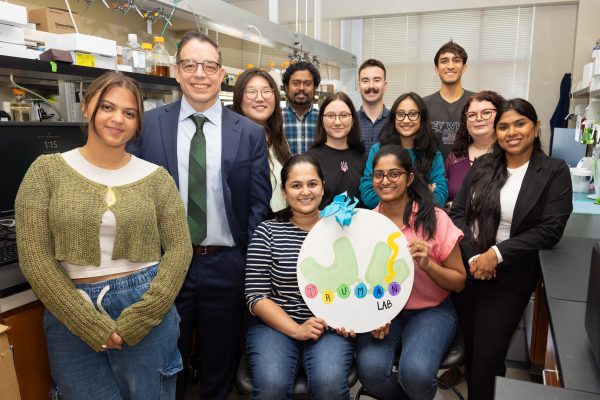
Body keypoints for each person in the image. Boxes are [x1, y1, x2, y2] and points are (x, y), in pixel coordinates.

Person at [15, 71, 192, 399]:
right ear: (86, 108)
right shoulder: (46, 172)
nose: (118, 119)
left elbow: (180, 249)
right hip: (71, 310)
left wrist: (143, 315)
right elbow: (34, 255)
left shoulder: (156, 178)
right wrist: (85, 321)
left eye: (129, 113)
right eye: (108, 107)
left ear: (138, 123)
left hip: (145, 305)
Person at [129, 31, 271, 400]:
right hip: (165, 264)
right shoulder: (149, 126)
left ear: (221, 73)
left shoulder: (250, 133)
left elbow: (258, 206)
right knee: (165, 357)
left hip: (226, 263)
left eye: (209, 65)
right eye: (190, 65)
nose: (199, 74)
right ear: (176, 72)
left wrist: (248, 264)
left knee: (219, 361)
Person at [449, 98, 573, 400]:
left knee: (488, 354)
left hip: (510, 274)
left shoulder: (553, 171)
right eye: (503, 126)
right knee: (474, 348)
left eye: (520, 123)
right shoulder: (483, 166)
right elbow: (458, 212)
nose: (511, 132)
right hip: (470, 267)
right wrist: (476, 255)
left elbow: (550, 229)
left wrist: (497, 255)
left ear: (536, 126)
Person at [356, 144, 466, 400]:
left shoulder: (435, 218)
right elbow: (359, 283)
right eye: (378, 175)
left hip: (431, 310)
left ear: (409, 178)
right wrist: (371, 314)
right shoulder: (365, 225)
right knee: (370, 371)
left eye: (394, 173)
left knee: (416, 374)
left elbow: (459, 281)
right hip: (384, 311)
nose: (385, 181)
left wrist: (429, 265)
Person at [245, 154, 355, 400]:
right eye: (296, 185)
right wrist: (295, 329)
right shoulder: (267, 231)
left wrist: (357, 316)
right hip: (276, 326)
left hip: (330, 329)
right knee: (271, 388)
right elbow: (255, 296)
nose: (305, 191)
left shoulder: (344, 228)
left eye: (312, 184)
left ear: (323, 186)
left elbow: (361, 284)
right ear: (284, 191)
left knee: (329, 386)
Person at [359, 92, 449, 208]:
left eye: (413, 114)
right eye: (400, 114)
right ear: (393, 118)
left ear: (422, 118)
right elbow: (368, 195)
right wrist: (422, 193)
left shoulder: (433, 154)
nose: (406, 120)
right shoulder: (378, 150)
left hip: (422, 221)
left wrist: (390, 194)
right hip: (385, 221)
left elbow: (440, 196)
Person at [232, 68, 291, 212]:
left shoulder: (279, 139)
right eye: (251, 92)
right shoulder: (230, 142)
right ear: (239, 97)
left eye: (266, 91)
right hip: (249, 230)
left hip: (280, 226)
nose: (260, 98)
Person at [445, 91, 505, 205]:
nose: (478, 118)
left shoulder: (512, 155)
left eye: (486, 113)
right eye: (472, 115)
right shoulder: (455, 157)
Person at [307, 91, 365, 209]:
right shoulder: (310, 160)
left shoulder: (364, 157)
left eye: (344, 115)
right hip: (321, 225)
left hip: (360, 225)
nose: (337, 122)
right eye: (330, 116)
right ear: (322, 121)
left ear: (353, 120)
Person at [423, 41, 475, 160]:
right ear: (437, 69)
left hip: (469, 174)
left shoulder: (476, 103)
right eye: (444, 61)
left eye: (456, 60)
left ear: (464, 68)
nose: (450, 66)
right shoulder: (423, 105)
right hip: (433, 174)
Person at [282, 60, 321, 155]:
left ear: (315, 88)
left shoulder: (324, 119)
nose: (301, 88)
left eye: (307, 84)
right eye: (296, 83)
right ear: (286, 87)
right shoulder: (275, 119)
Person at [357, 58, 389, 153]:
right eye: (365, 81)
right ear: (359, 87)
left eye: (377, 80)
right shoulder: (349, 121)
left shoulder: (395, 121)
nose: (371, 86)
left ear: (385, 85)